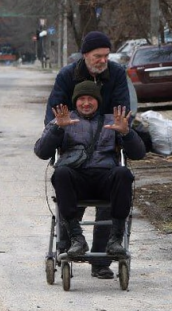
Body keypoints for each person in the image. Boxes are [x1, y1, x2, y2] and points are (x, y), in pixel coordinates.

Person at [44, 31, 133, 278]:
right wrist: (60, 129)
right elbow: (53, 113)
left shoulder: (115, 74)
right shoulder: (67, 75)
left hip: (105, 140)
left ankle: (102, 259)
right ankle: (69, 248)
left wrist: (119, 129)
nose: (103, 60)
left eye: (106, 55)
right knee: (68, 185)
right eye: (97, 56)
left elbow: (124, 110)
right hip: (74, 140)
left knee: (113, 182)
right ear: (85, 56)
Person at [35, 81, 146, 261]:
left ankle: (115, 239)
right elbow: (41, 152)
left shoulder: (113, 121)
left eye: (90, 99)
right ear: (75, 101)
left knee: (123, 173)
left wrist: (127, 133)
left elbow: (139, 153)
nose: (86, 103)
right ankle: (76, 238)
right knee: (61, 172)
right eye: (81, 99)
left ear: (98, 101)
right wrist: (57, 129)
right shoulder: (63, 119)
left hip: (105, 179)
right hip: (77, 180)